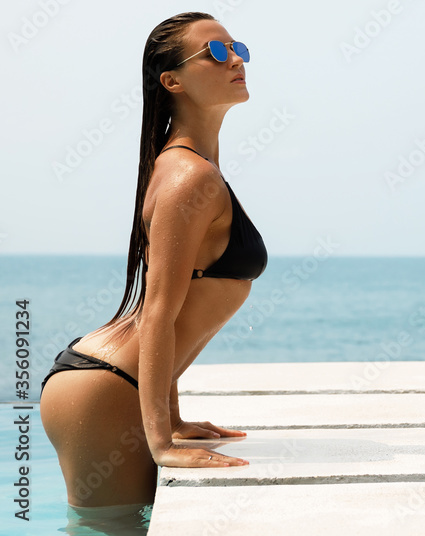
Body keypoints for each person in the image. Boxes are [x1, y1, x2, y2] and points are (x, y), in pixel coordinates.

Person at [39, 11, 265, 517]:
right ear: (173, 80)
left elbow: (171, 309)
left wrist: (177, 418)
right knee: (109, 530)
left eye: (239, 49)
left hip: (103, 379)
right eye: (217, 52)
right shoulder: (190, 177)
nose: (237, 61)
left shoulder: (187, 165)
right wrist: (162, 442)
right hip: (104, 390)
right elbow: (160, 311)